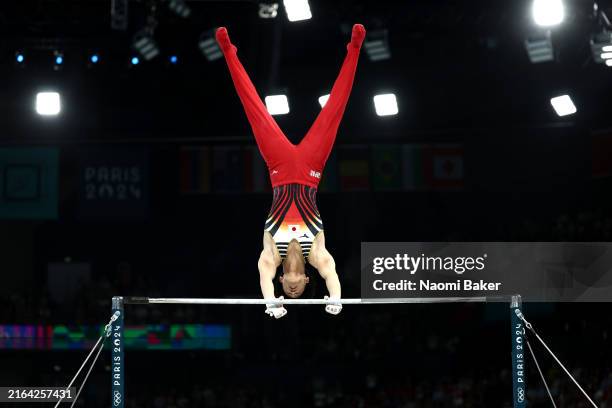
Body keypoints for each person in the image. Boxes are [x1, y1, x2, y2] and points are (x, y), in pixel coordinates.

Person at [216, 24, 366, 318]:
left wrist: (271, 301)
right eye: (297, 291)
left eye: (286, 290)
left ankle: (227, 51)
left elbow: (263, 277)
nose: (292, 290)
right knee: (335, 109)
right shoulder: (317, 253)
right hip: (312, 168)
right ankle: (355, 48)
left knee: (255, 109)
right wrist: (335, 298)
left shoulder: (271, 256)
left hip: (279, 168)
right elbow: (332, 276)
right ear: (309, 279)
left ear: (281, 280)